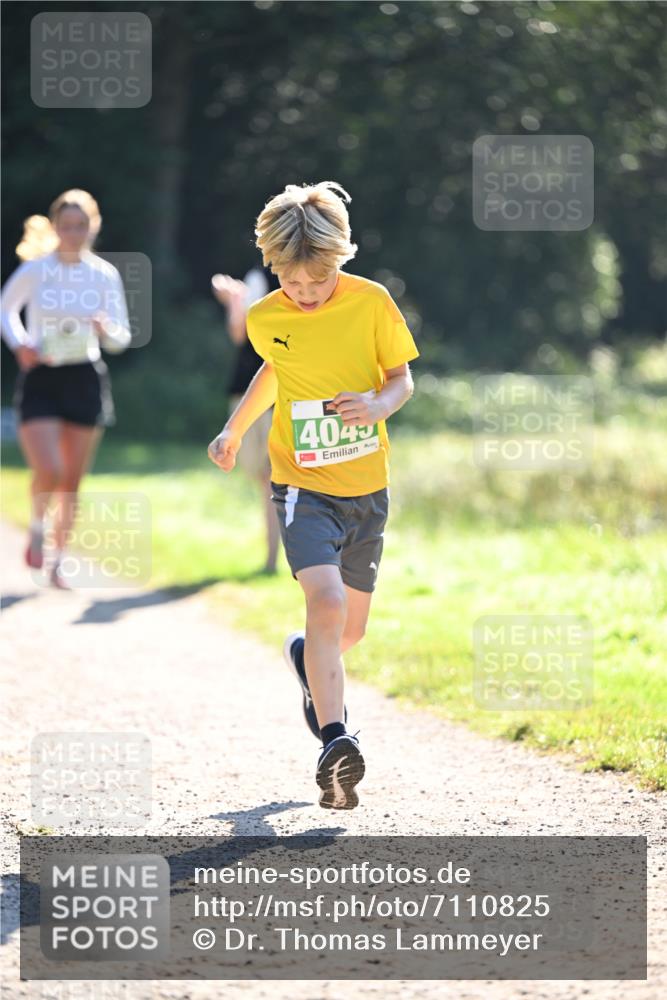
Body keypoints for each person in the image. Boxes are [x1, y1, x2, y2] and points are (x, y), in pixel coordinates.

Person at [207, 181, 419, 810]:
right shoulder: (266, 316)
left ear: (340, 259)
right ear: (274, 268)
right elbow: (274, 373)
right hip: (302, 485)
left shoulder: (372, 303)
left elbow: (401, 380)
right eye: (291, 283)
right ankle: (336, 740)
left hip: (367, 488)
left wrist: (377, 403)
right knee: (322, 601)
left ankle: (305, 658)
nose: (303, 294)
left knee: (345, 631)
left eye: (316, 282)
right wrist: (233, 429)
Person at [0, 189, 131, 588]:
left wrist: (105, 330)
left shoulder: (104, 274)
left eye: (81, 226)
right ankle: (37, 526)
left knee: (71, 480)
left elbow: (122, 337)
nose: (74, 233)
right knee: (49, 470)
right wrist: (21, 344)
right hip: (42, 376)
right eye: (67, 226)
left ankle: (57, 562)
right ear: (55, 227)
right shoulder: (37, 270)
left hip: (84, 378)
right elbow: (6, 309)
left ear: (93, 227)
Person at [211, 265, 280, 574]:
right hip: (254, 388)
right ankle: (275, 557)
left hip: (274, 390)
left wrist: (234, 301)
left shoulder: (265, 279)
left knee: (272, 477)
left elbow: (239, 331)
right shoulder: (261, 277)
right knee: (266, 477)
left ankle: (273, 558)